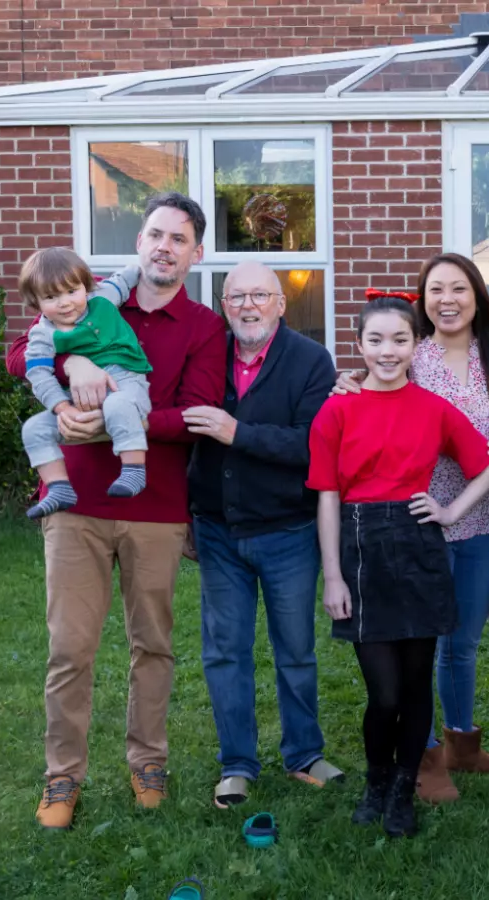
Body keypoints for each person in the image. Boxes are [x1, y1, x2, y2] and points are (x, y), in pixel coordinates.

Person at [7, 193, 228, 831]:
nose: (164, 247)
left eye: (178, 239)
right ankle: (62, 778)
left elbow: (194, 412)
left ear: (196, 253)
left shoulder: (203, 327)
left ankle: (148, 762)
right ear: (139, 241)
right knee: (70, 648)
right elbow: (21, 351)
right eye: (155, 234)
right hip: (77, 504)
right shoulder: (88, 298)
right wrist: (71, 358)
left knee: (152, 644)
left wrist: (105, 422)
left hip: (155, 508)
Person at [308, 295, 489, 839]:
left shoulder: (432, 408)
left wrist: (449, 511)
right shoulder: (336, 410)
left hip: (420, 549)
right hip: (360, 548)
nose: (388, 351)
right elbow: (326, 495)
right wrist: (332, 574)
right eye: (376, 340)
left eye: (400, 340)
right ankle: (376, 780)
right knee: (385, 693)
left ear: (416, 345)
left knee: (417, 685)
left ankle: (403, 788)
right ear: (359, 345)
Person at [178, 261, 342, 810]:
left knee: (295, 650)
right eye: (236, 297)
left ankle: (303, 754)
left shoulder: (311, 361)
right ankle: (237, 764)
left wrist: (236, 432)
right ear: (224, 307)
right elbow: (177, 439)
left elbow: (311, 446)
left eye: (259, 296)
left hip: (288, 530)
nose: (248, 306)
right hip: (218, 530)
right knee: (226, 651)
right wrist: (185, 513)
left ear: (280, 303)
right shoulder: (208, 354)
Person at [17, 248, 155, 519]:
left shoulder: (102, 299)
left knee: (118, 406)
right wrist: (62, 408)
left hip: (125, 383)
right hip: (78, 400)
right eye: (51, 297)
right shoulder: (42, 335)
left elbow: (123, 280)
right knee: (33, 428)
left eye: (72, 291)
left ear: (85, 286)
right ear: (35, 302)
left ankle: (134, 470)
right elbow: (38, 375)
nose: (65, 302)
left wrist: (141, 267)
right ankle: (59, 488)